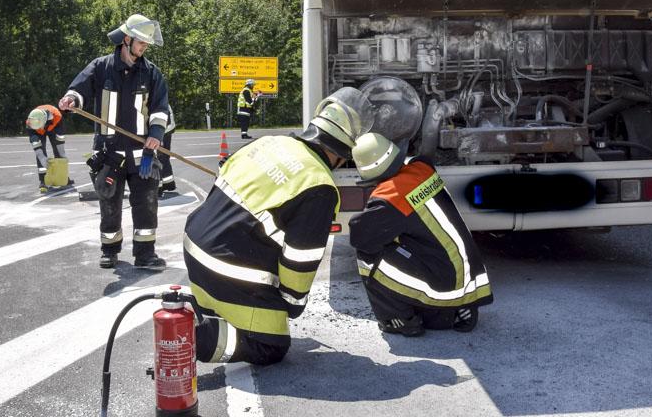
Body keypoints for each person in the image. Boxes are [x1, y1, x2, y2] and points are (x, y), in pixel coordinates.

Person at [185, 87, 374, 365]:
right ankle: (184, 340)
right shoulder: (319, 186)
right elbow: (300, 260)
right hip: (223, 268)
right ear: (341, 153)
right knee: (270, 345)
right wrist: (291, 304)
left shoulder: (269, 142)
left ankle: (208, 310)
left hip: (194, 247)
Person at [349, 133, 493, 337]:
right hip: (467, 284)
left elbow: (360, 235)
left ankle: (401, 320)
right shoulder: (422, 168)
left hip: (443, 289)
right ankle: (460, 307)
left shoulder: (390, 198)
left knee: (366, 254)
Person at [58, 14, 170, 271]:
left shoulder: (151, 73)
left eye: (147, 43)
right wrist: (71, 100)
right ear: (127, 39)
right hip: (109, 153)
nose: (144, 47)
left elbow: (160, 108)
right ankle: (109, 250)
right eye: (141, 42)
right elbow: (79, 90)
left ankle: (145, 254)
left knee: (147, 204)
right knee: (109, 203)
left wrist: (155, 133)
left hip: (142, 154)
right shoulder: (101, 67)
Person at [25, 104, 70, 193]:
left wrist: (62, 154)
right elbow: (36, 144)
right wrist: (42, 157)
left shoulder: (57, 117)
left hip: (54, 127)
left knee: (59, 152)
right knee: (41, 153)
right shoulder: (30, 123)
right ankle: (43, 181)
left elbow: (60, 138)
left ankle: (63, 177)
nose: (41, 128)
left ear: (45, 121)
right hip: (37, 132)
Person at [158, 104, 178, 198]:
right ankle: (168, 184)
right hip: (167, 129)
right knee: (164, 157)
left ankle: (157, 188)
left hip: (163, 130)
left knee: (158, 158)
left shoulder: (154, 100)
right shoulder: (160, 98)